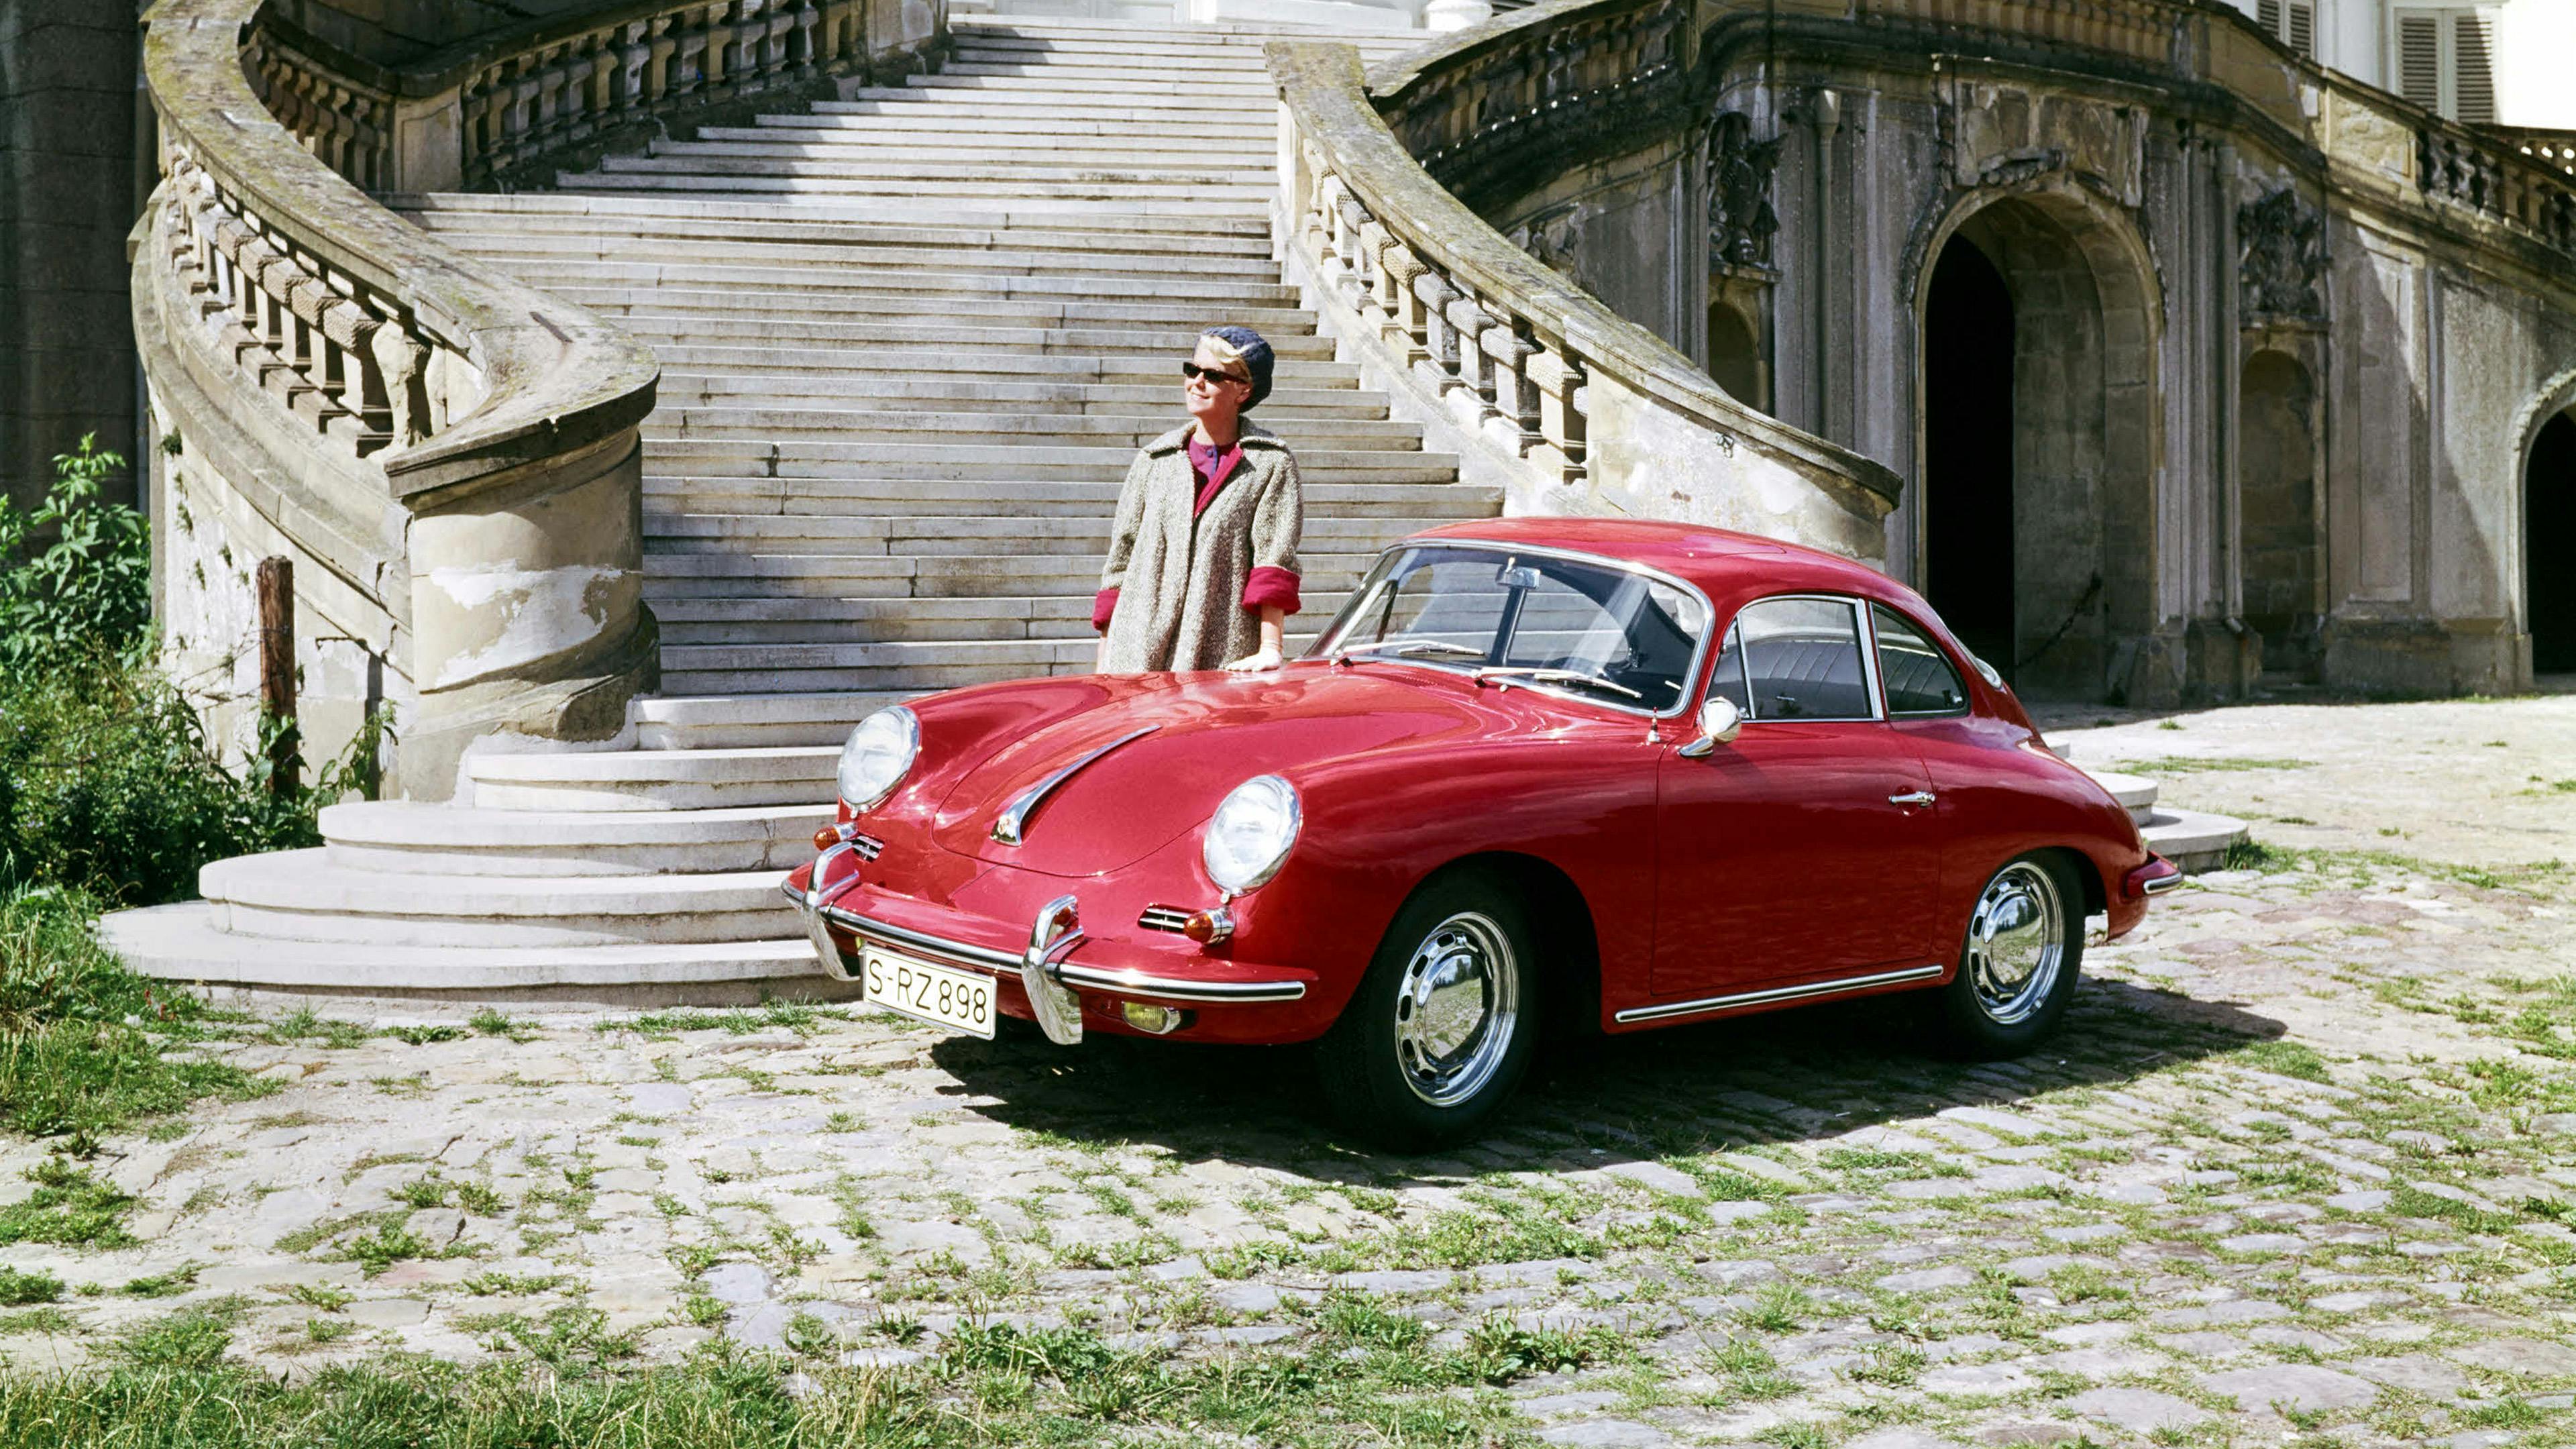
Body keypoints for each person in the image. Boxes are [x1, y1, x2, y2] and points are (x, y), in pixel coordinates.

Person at [1093, 326, 1303, 674]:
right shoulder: (1154, 459)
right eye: (1192, 370)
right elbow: (1121, 558)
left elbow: (1274, 559)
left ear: (1243, 390)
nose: (1197, 382)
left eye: (1213, 375)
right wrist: (1105, 656)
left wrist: (1270, 648)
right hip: (1135, 647)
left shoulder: (1271, 462)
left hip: (1220, 649)